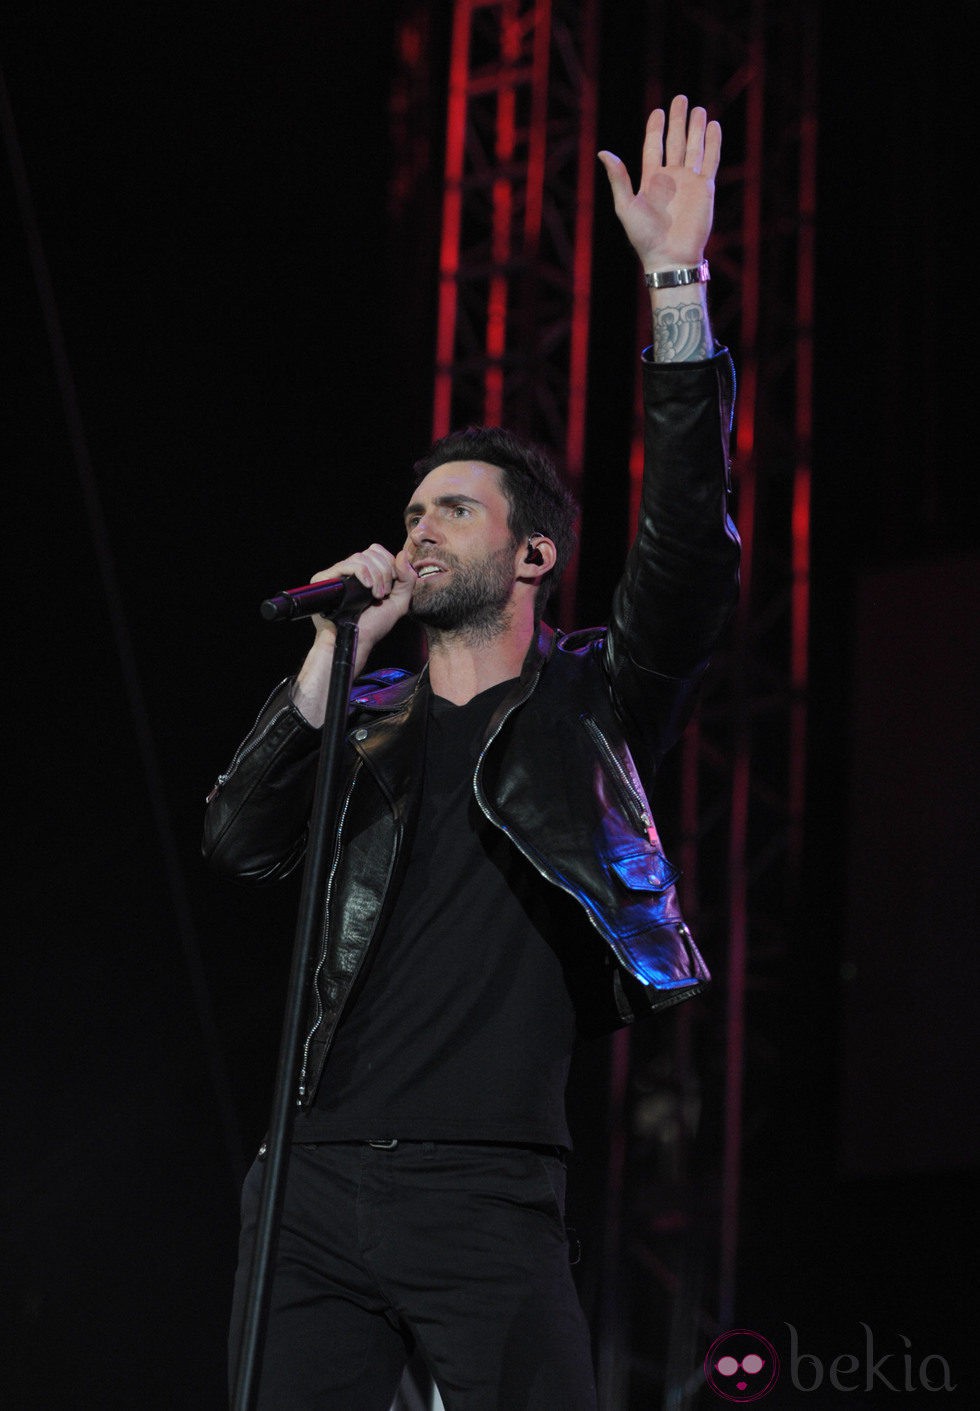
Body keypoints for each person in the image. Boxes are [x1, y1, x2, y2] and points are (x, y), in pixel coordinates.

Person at [204, 93, 739, 1411]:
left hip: (486, 1189)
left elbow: (687, 552)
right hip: (314, 1187)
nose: (421, 528)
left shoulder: (592, 704)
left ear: (534, 555)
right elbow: (236, 834)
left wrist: (676, 282)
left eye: (455, 508)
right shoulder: (367, 720)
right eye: (412, 509)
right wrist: (337, 652)